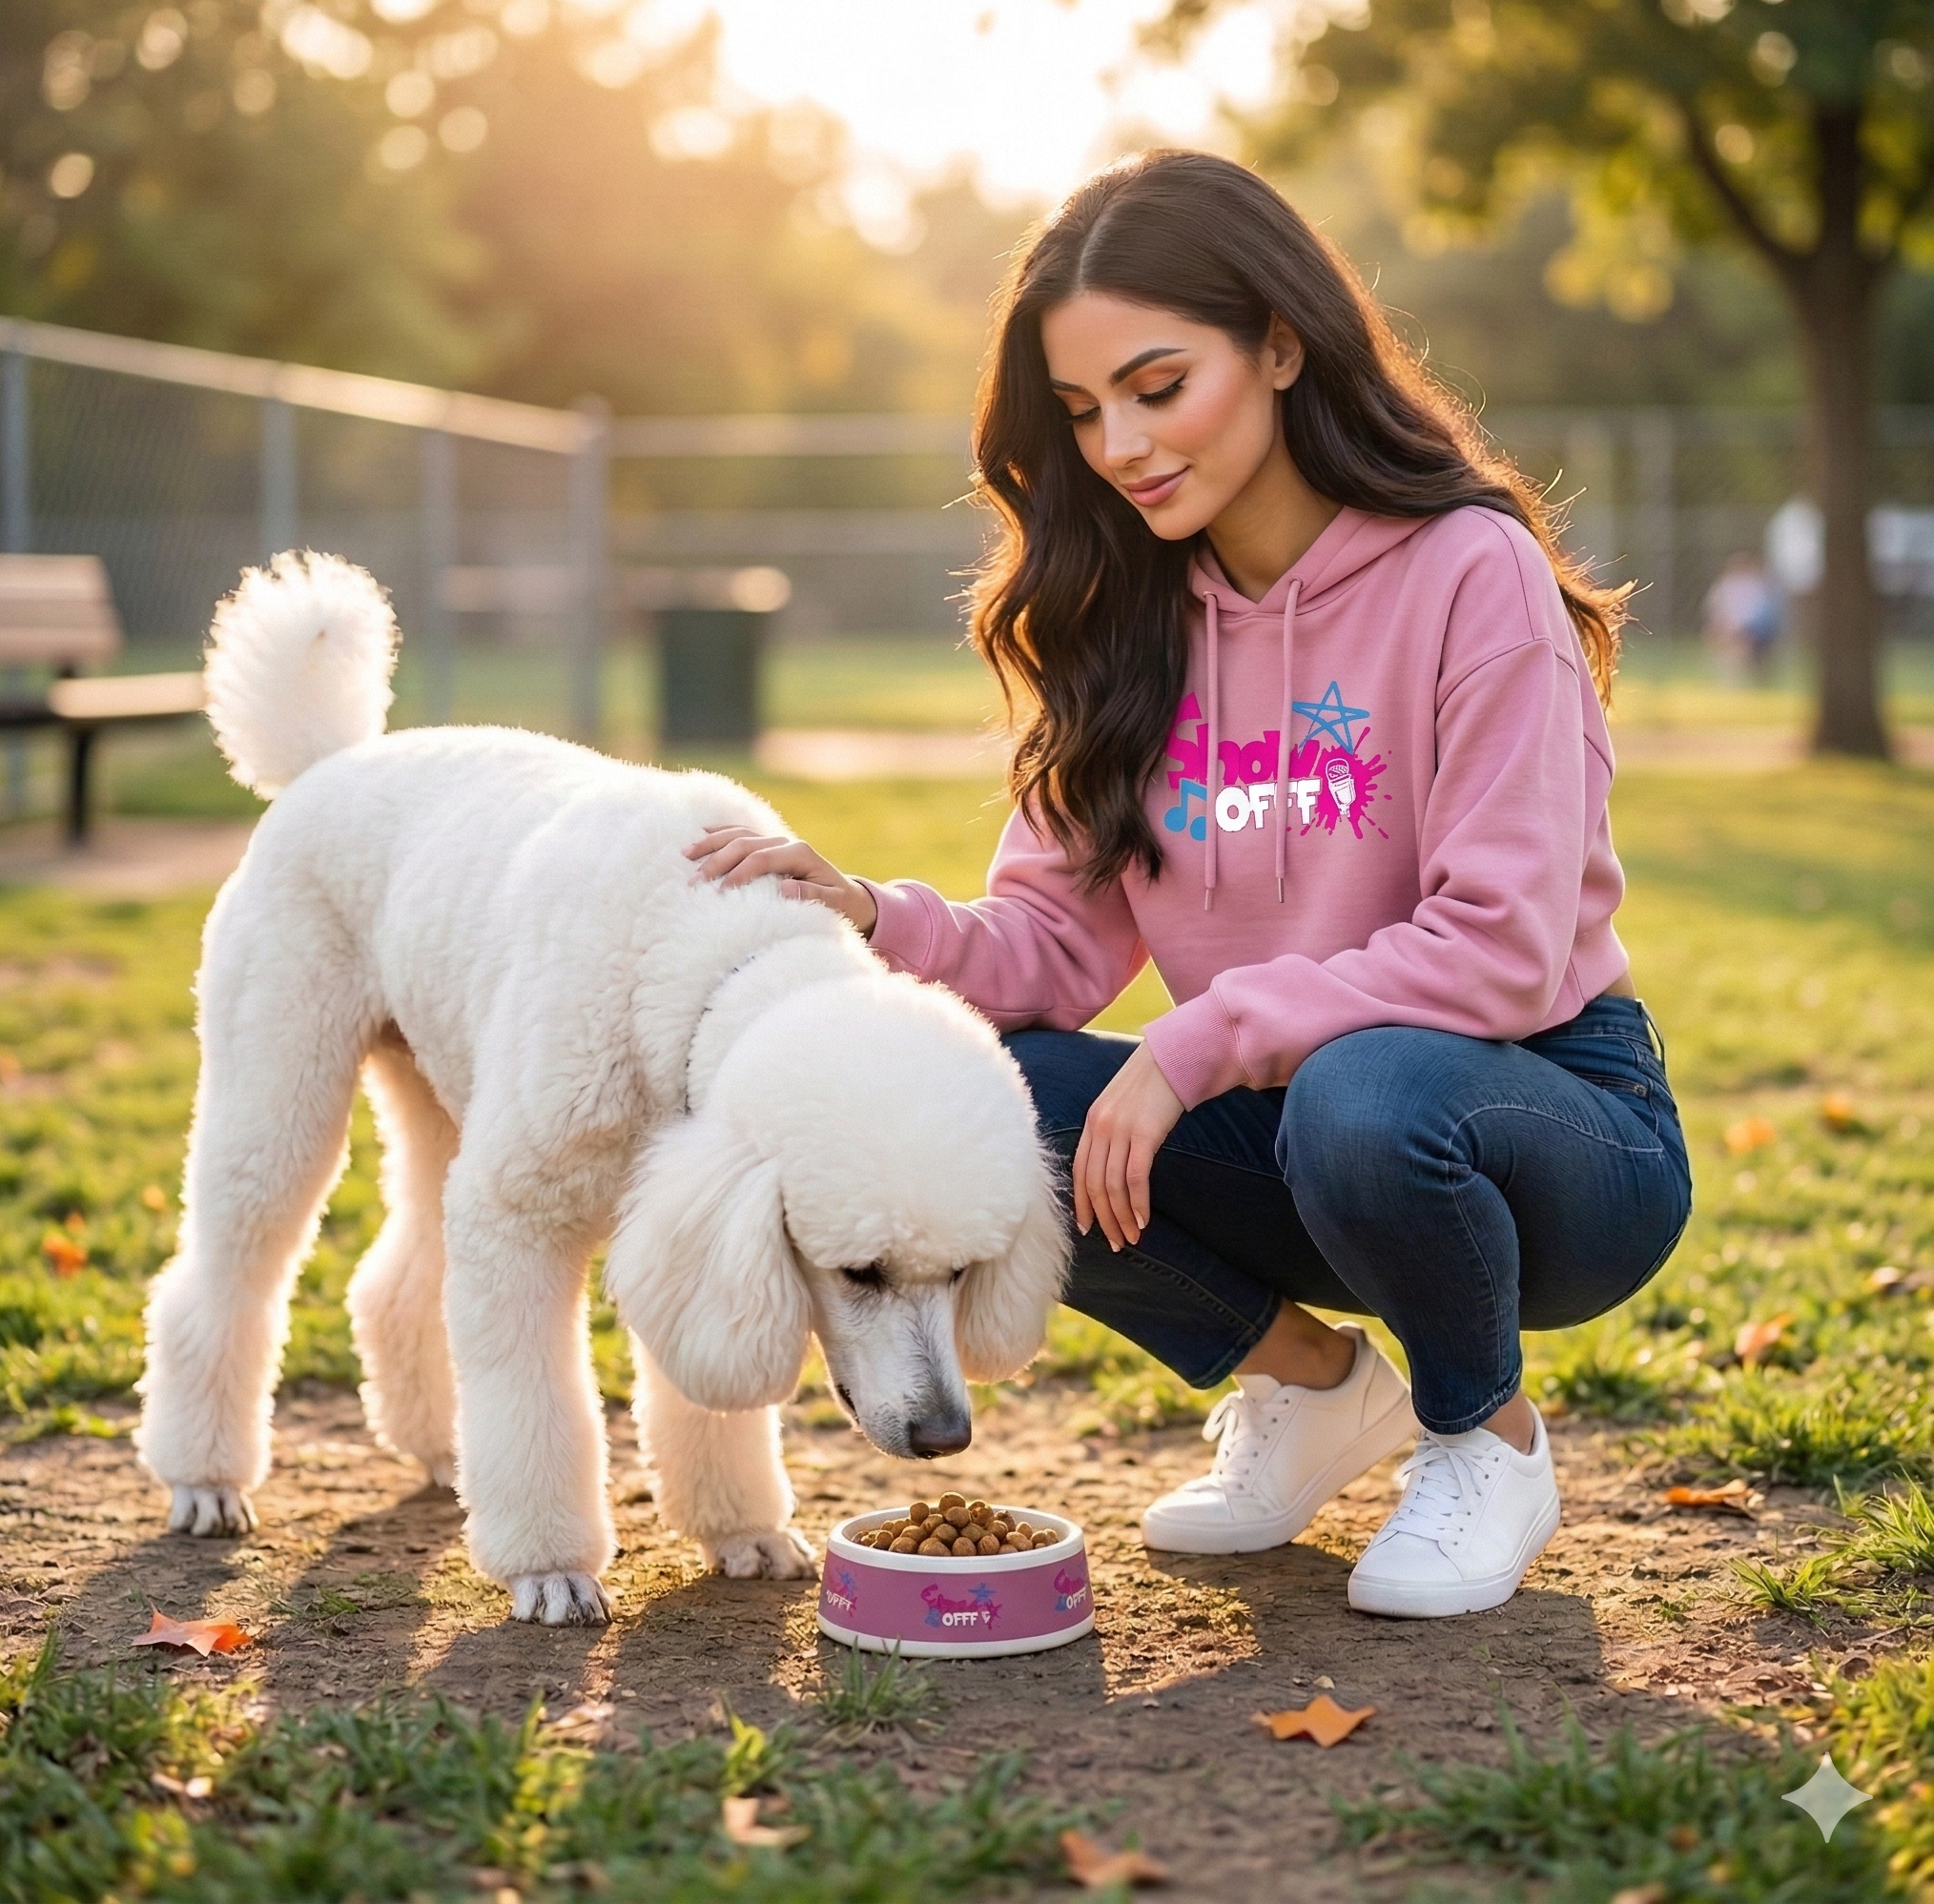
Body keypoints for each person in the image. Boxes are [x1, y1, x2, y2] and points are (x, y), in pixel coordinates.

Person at [685, 151, 1693, 1620]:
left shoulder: (1469, 571)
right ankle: (1315, 1391)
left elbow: (1505, 948)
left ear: (1280, 343)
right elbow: (1043, 946)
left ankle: (1487, 1438)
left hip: (1546, 1128)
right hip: (1289, 1135)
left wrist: (1194, 1043)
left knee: (1367, 1092)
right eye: (1085, 412)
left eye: (1160, 387)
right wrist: (870, 917)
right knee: (1002, 1100)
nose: (1124, 445)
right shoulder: (1125, 618)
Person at [1702, 549, 1784, 685]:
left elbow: (1758, 613)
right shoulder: (1725, 584)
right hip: (1729, 626)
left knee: (1739, 642)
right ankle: (1727, 677)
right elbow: (1715, 607)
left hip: (1751, 628)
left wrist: (1737, 627)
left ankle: (1738, 679)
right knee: (1717, 638)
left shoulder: (1756, 585)